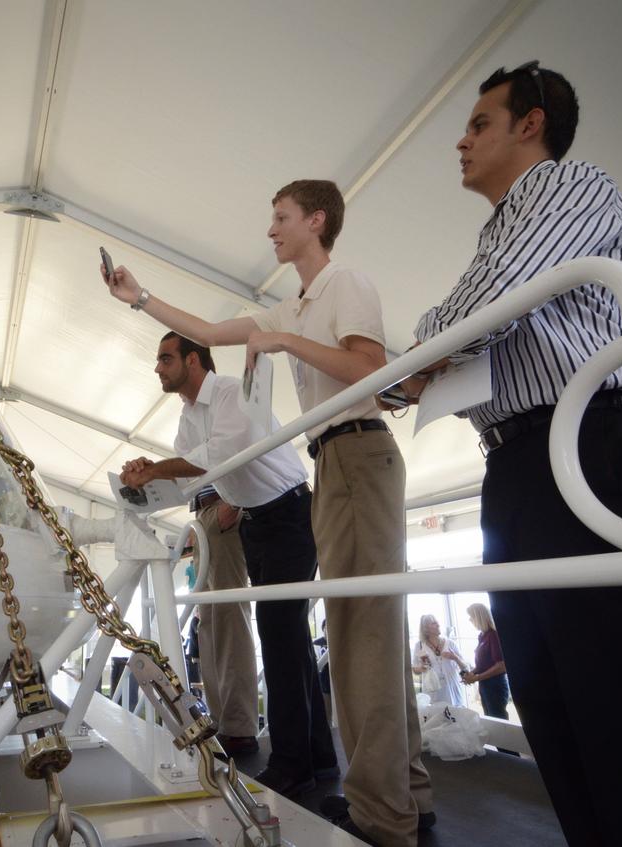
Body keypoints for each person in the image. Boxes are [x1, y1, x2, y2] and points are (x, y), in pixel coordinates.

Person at [406, 61, 622, 846]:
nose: (461, 141)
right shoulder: (497, 232)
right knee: (548, 692)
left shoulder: (570, 185)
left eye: (478, 123)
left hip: (585, 443)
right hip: (515, 461)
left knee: (617, 688)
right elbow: (469, 314)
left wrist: (427, 343)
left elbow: (491, 298)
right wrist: (435, 341)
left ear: (530, 123)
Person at [103, 181, 430, 847]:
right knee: (364, 630)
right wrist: (138, 297)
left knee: (360, 634)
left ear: (316, 220)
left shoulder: (342, 284)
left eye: (281, 217)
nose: (270, 230)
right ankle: (405, 794)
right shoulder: (292, 306)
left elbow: (369, 368)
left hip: (355, 452)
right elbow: (207, 331)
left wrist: (283, 341)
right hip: (330, 461)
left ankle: (382, 811)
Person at [117, 331, 336, 787]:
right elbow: (188, 481)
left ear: (192, 361)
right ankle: (318, 757)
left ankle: (293, 765)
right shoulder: (187, 418)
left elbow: (220, 455)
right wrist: (145, 475)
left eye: (165, 358)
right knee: (289, 637)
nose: (157, 368)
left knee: (279, 633)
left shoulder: (232, 392)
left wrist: (157, 468)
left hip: (289, 513)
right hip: (257, 522)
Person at [460, 604, 507, 717]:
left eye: (472, 616)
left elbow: (501, 666)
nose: (470, 620)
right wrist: (471, 674)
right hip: (485, 684)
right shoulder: (482, 636)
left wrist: (476, 677)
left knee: (497, 719)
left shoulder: (493, 635)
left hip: (495, 685)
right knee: (489, 717)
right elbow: (483, 665)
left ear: (479, 617)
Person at [412, 614, 467, 707]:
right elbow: (415, 670)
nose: (438, 625)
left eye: (437, 622)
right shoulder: (419, 646)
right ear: (426, 629)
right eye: (434, 623)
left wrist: (455, 658)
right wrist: (422, 668)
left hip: (452, 690)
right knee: (436, 714)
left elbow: (465, 668)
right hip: (433, 691)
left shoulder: (450, 644)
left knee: (456, 713)